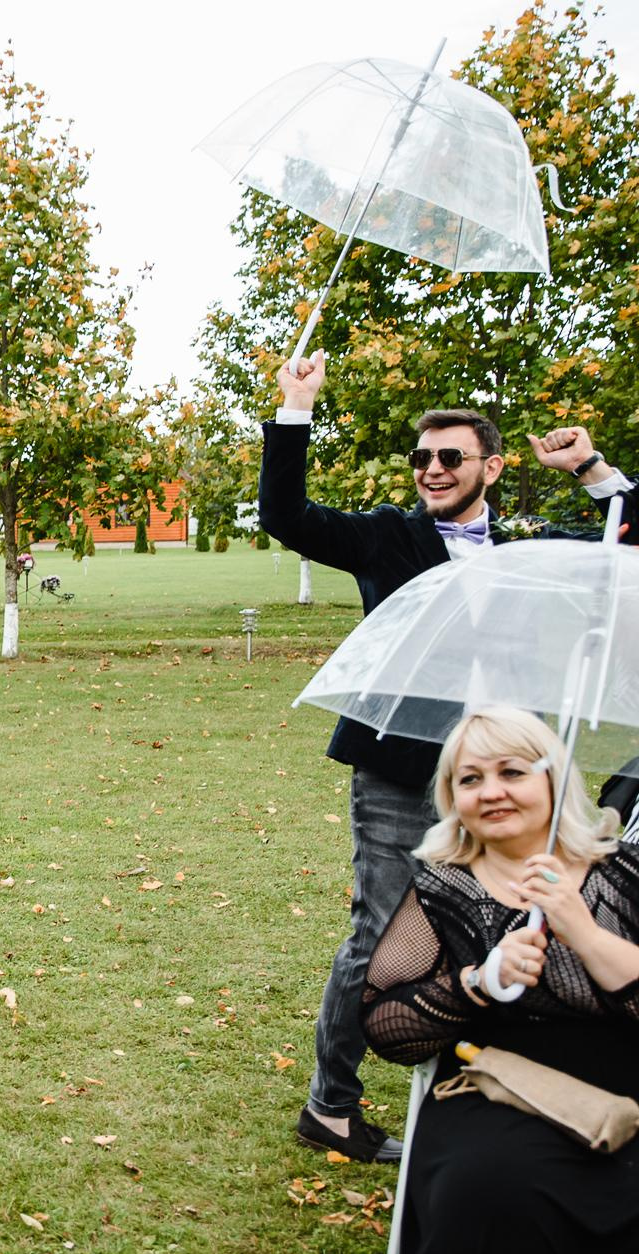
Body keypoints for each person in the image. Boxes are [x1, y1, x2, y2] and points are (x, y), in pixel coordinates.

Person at [259, 350, 636, 1162]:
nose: (432, 469)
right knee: (380, 934)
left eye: (450, 456)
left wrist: (594, 468)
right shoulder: (388, 535)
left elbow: (624, 538)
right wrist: (295, 410)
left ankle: (485, 1083)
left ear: (490, 466)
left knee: (511, 921)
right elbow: (287, 515)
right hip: (401, 772)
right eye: (422, 458)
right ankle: (331, 1104)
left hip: (504, 780)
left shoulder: (528, 546)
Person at [362, 707, 639, 1254]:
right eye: (470, 778)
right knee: (488, 1194)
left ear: (553, 780)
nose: (490, 791)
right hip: (496, 1091)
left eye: (512, 771)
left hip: (627, 1087)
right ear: (451, 797)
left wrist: (584, 932)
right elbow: (383, 1022)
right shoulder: (445, 888)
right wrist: (480, 982)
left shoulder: (623, 874)